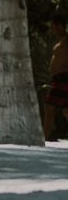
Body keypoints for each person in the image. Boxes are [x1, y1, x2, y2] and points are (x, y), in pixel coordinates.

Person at [44, 13, 68, 141]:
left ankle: (43, 139)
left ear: (60, 26)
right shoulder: (61, 41)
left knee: (49, 107)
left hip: (62, 79)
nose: (52, 30)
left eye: (53, 27)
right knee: (65, 111)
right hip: (59, 79)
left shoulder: (67, 41)